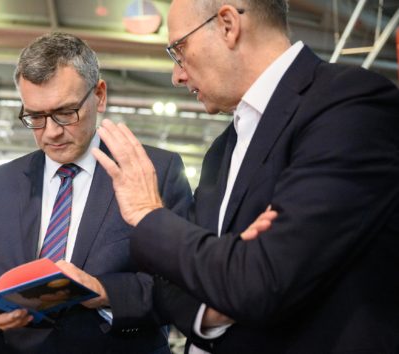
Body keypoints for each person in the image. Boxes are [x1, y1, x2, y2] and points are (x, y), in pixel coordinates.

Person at [92, 0, 399, 353]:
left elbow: (262, 281)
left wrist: (149, 213)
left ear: (227, 24)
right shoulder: (222, 150)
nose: (176, 74)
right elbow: (170, 288)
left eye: (179, 49)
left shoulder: (350, 105)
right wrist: (219, 299)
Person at [0, 32, 193, 354]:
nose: (51, 132)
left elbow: (181, 283)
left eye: (65, 112)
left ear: (99, 95)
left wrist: (105, 291)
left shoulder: (153, 171)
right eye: (35, 116)